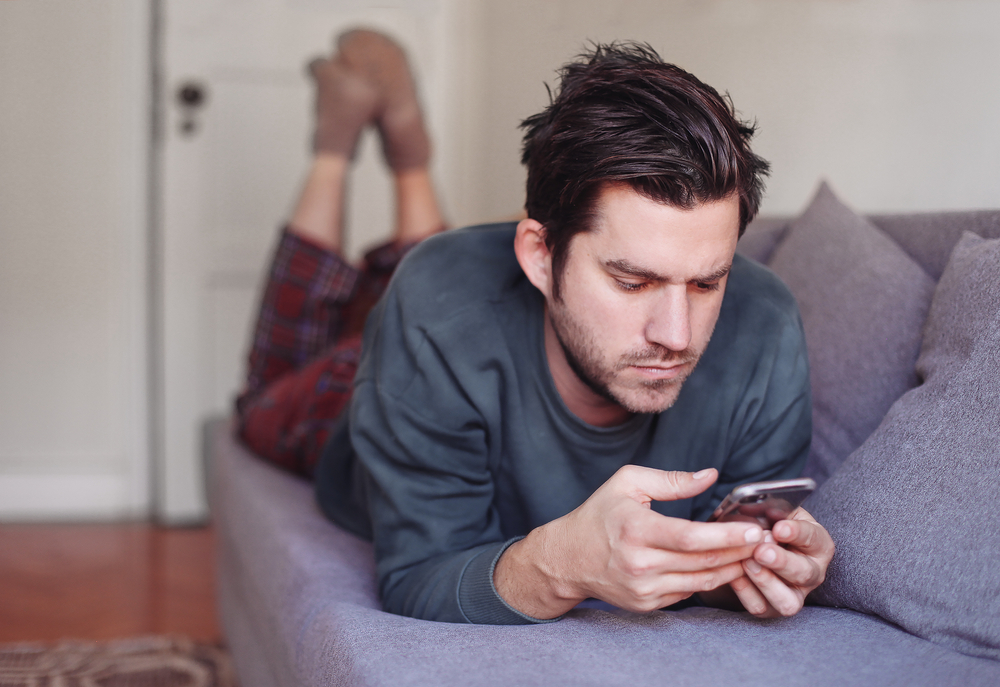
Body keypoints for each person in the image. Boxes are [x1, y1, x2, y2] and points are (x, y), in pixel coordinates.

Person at [236, 30, 835, 626]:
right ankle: (340, 152)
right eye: (632, 282)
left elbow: (732, 557)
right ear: (541, 257)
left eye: (706, 284)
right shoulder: (439, 323)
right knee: (270, 387)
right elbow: (416, 576)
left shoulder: (766, 326)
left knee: (433, 278)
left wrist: (757, 567)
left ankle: (406, 157)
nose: (676, 336)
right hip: (360, 393)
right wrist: (560, 565)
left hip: (452, 313)